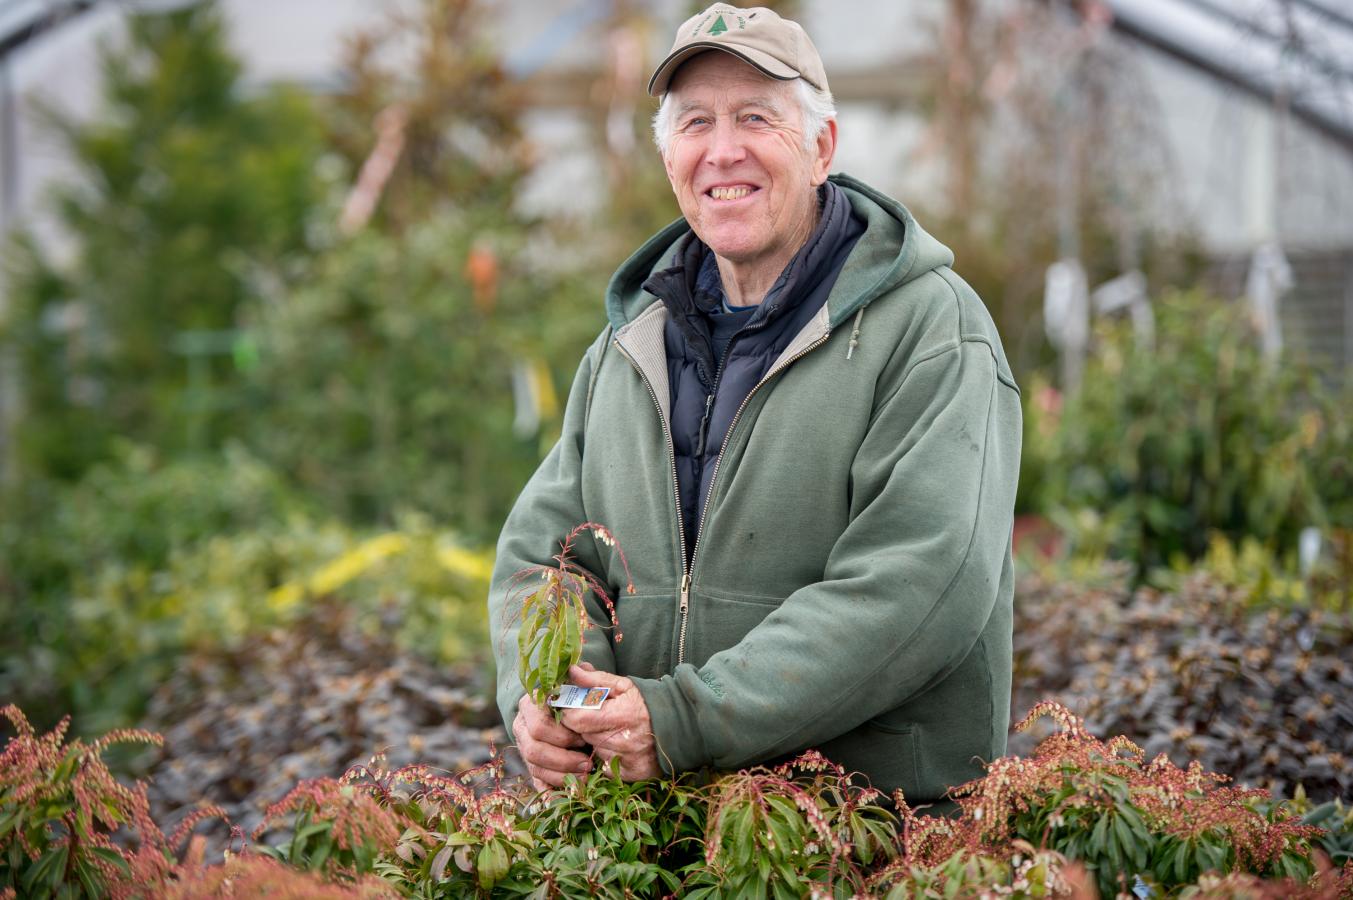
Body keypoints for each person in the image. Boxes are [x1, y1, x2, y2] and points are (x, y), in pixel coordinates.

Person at [487, 2, 1022, 812]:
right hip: (651, 831)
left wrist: (683, 719)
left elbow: (919, 580)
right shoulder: (629, 345)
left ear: (821, 148)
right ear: (668, 156)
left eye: (755, 118)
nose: (721, 150)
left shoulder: (929, 330)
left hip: (868, 829)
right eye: (694, 121)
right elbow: (545, 558)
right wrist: (555, 702)